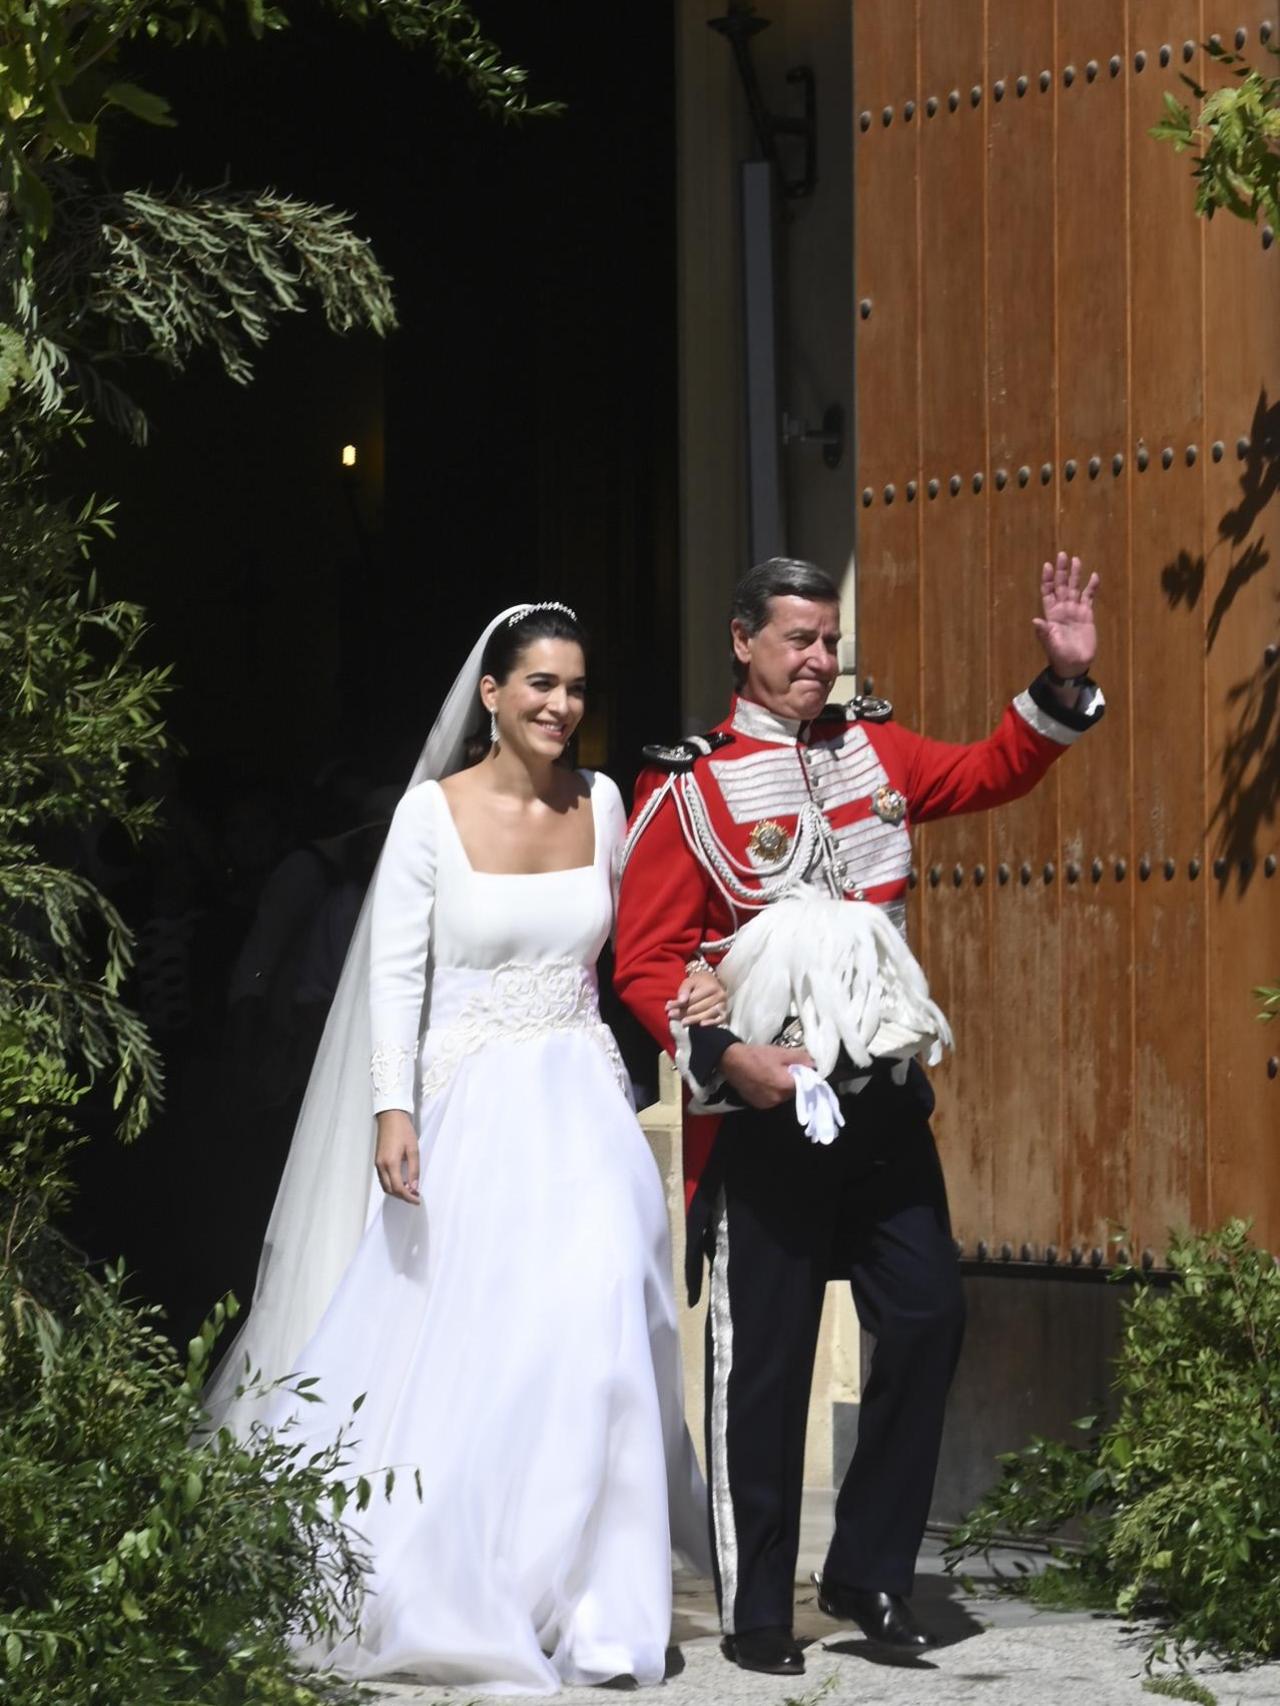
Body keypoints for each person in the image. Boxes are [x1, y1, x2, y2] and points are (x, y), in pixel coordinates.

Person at [204, 602, 714, 1692]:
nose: (560, 705)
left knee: (602, 1320)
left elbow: (642, 940)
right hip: (470, 1102)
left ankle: (602, 1605)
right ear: (492, 693)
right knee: (483, 1336)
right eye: (540, 684)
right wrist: (392, 1108)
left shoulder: (604, 801)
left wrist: (704, 980)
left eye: (575, 687)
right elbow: (393, 970)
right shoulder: (428, 815)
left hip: (582, 1100)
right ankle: (472, 1575)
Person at [614, 552, 1103, 1677]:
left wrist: (1063, 680)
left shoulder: (875, 748)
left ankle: (868, 1570)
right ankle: (757, 1609)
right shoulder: (687, 787)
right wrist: (730, 1058)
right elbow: (644, 959)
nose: (819, 659)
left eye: (829, 640)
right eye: (798, 639)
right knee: (767, 1363)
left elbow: (991, 768)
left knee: (927, 1316)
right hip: (762, 1118)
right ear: (742, 641)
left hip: (880, 1110)